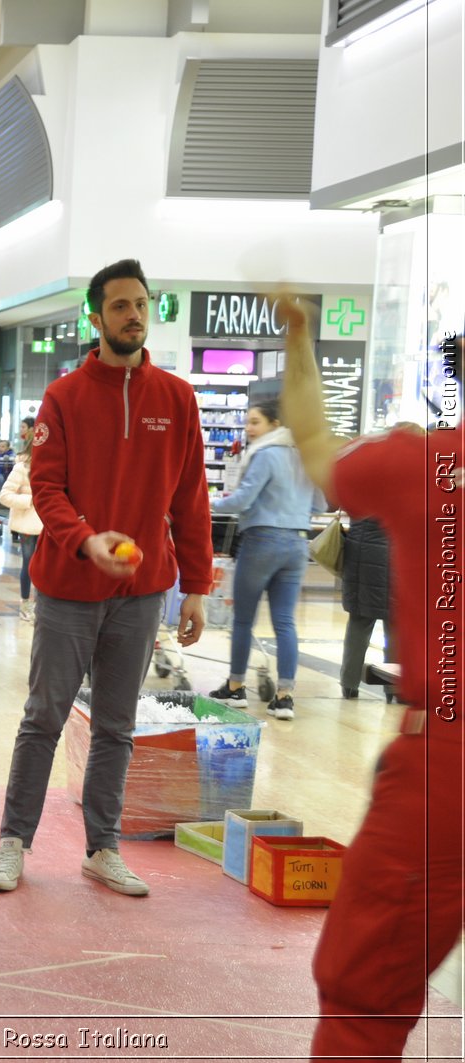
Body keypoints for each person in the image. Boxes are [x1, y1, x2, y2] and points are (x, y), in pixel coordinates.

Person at [0, 259, 211, 898]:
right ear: (96, 315)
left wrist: (196, 585)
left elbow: (191, 497)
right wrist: (86, 540)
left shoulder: (177, 397)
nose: (133, 315)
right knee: (44, 717)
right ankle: (12, 842)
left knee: (116, 724)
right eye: (120, 306)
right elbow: (47, 490)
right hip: (67, 589)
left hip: (143, 593)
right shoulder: (65, 397)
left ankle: (102, 847)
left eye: (141, 304)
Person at [276, 298, 463, 1060]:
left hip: (446, 764)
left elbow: (315, 443)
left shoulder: (428, 461)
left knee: (366, 990)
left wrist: (297, 337)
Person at [206, 398, 316, 719]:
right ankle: (284, 697)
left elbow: (243, 500)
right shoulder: (305, 456)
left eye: (255, 422)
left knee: (243, 619)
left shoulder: (266, 454)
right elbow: (321, 503)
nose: (248, 428)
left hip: (262, 541)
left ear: (275, 425)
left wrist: (206, 501)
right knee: (285, 621)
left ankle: (236, 687)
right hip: (297, 544)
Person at [339, 516, 395, 700]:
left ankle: (349, 684)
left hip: (360, 552)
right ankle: (395, 688)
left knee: (359, 620)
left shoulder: (360, 486)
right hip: (397, 553)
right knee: (396, 624)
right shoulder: (408, 486)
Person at [0, 416, 41, 622]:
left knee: (46, 566)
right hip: (28, 524)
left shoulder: (57, 468)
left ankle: (42, 604)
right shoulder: (21, 468)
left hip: (50, 525)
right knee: (29, 563)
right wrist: (31, 500)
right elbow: (4, 495)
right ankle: (26, 603)